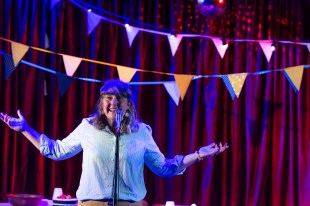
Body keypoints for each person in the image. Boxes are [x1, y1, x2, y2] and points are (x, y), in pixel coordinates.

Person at [0, 79, 229, 206]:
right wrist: (26, 129)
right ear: (101, 102)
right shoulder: (87, 127)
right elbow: (55, 151)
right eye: (108, 97)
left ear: (128, 104)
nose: (113, 102)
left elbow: (164, 167)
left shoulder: (141, 133)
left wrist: (199, 154)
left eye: (119, 98)